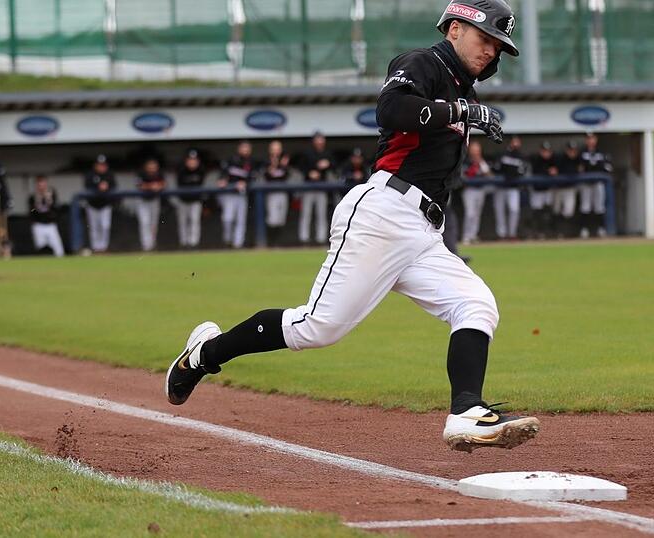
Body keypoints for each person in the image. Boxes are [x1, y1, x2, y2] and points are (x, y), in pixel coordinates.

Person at [165, 0, 539, 453]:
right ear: (456, 28)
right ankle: (204, 353)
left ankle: (466, 412)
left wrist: (464, 108)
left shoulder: (463, 91)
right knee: (317, 329)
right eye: (487, 40)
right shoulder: (422, 62)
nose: (492, 53)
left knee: (477, 304)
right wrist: (460, 112)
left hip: (423, 233)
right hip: (383, 214)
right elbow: (393, 109)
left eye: (499, 48)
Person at [219, 141, 256, 249]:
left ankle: (238, 244)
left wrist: (246, 183)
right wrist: (222, 180)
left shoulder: (251, 162)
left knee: (241, 220)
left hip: (242, 195)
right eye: (243, 148)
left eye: (247, 148)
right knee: (227, 219)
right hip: (229, 194)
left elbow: (253, 177)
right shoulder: (231, 160)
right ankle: (227, 240)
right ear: (239, 148)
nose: (245, 150)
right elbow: (223, 174)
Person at [298, 132, 333, 245]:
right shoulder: (308, 153)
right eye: (317, 140)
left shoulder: (327, 153)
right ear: (314, 141)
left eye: (321, 140)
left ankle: (321, 239)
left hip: (322, 187)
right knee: (306, 214)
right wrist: (309, 173)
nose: (320, 142)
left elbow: (335, 164)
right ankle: (304, 239)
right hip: (308, 187)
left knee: (321, 214)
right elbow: (301, 167)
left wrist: (328, 163)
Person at [579, 132, 612, 238]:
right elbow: (579, 167)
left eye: (592, 138)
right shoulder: (582, 152)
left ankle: (601, 228)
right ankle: (584, 229)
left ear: (596, 139)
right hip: (585, 183)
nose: (590, 141)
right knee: (585, 206)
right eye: (588, 139)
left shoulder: (601, 152)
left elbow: (607, 167)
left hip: (598, 182)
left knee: (599, 207)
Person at [493, 135, 526, 240]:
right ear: (510, 142)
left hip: (513, 187)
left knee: (514, 209)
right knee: (499, 211)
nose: (516, 144)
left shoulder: (521, 156)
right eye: (514, 142)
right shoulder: (502, 154)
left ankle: (512, 234)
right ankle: (501, 234)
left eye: (518, 142)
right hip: (500, 187)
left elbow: (522, 172)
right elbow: (496, 169)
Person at [460, 140, 493, 244]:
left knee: (477, 214)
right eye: (474, 149)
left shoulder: (482, 161)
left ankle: (473, 235)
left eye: (477, 150)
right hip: (469, 190)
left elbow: (489, 175)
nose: (475, 152)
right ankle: (466, 236)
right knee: (470, 213)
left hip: (480, 190)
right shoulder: (465, 160)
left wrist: (480, 162)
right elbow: (463, 175)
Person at [84, 154, 117, 253]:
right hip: (92, 205)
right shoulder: (90, 175)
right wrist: (98, 187)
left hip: (105, 205)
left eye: (103, 165)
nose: (101, 166)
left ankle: (103, 248)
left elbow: (115, 187)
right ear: (95, 165)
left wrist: (107, 187)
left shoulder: (109, 175)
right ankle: (96, 248)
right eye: (99, 164)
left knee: (105, 226)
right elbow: (87, 187)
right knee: (94, 227)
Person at [175, 149, 206, 249]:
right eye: (190, 160)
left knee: (195, 221)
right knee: (182, 222)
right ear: (186, 161)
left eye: (194, 160)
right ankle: (183, 243)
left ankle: (194, 243)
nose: (192, 162)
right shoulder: (181, 170)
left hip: (196, 201)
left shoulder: (201, 170)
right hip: (183, 201)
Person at [28, 175, 65, 257]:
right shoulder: (32, 197)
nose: (41, 186)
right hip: (38, 225)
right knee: (41, 248)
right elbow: (31, 211)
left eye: (43, 184)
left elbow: (57, 209)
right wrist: (36, 205)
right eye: (39, 184)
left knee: (58, 250)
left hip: (51, 224)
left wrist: (49, 201)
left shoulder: (52, 195)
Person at [262, 140, 292, 244]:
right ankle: (270, 242)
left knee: (281, 219)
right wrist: (273, 165)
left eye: (278, 148)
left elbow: (287, 175)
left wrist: (283, 166)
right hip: (271, 193)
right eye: (274, 148)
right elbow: (267, 176)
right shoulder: (266, 161)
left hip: (282, 192)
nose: (276, 151)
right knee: (272, 219)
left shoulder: (284, 161)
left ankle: (278, 242)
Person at [529, 141, 558, 239]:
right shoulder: (535, 159)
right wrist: (547, 171)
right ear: (540, 151)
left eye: (548, 151)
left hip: (548, 190)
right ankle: (536, 232)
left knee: (548, 212)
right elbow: (536, 170)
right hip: (537, 190)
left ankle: (548, 232)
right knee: (537, 212)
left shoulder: (553, 160)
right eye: (544, 151)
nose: (546, 153)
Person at [553, 140, 582, 238]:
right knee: (556, 210)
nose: (572, 152)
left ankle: (566, 233)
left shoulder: (578, 159)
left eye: (574, 150)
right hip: (559, 188)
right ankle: (556, 232)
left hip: (570, 188)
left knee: (569, 211)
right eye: (570, 150)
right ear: (566, 150)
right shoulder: (560, 159)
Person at [136, 157, 166, 252]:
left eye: (154, 166)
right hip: (143, 201)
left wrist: (158, 186)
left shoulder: (159, 174)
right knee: (145, 223)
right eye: (150, 166)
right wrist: (151, 186)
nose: (152, 168)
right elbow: (140, 185)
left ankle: (152, 244)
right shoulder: (141, 173)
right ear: (146, 167)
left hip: (154, 200)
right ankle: (146, 246)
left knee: (153, 224)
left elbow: (164, 183)